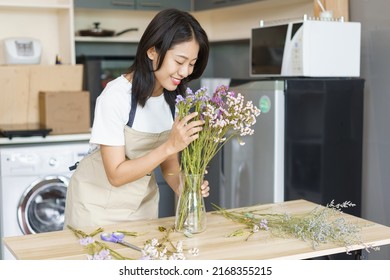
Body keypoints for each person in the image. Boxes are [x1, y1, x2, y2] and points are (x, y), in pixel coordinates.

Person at [64, 8, 210, 228]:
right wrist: (170, 145)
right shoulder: (116, 96)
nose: (185, 72)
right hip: (95, 210)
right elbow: (116, 174)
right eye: (179, 61)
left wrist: (184, 186)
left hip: (142, 208)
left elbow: (169, 166)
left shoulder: (175, 100)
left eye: (191, 63)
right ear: (152, 51)